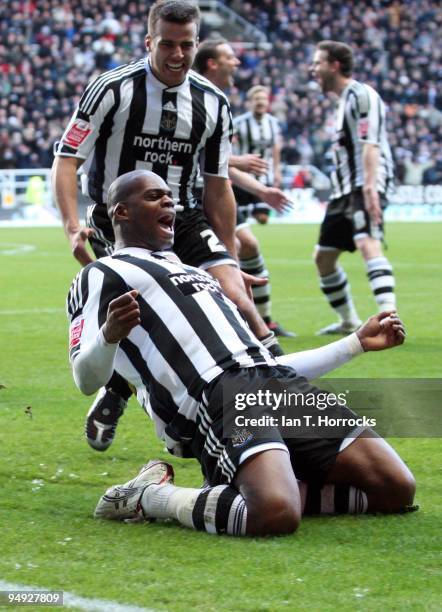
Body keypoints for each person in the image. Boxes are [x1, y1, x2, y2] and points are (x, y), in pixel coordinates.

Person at [68, 169, 416, 537]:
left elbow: (261, 366)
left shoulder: (195, 273)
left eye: (170, 195)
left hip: (274, 383)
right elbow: (85, 378)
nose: (169, 200)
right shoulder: (99, 275)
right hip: (220, 398)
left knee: (394, 488)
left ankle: (267, 486)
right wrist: (108, 335)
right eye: (154, 196)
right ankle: (152, 496)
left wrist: (354, 343)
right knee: (274, 515)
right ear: (121, 213)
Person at [53, 0, 282, 453]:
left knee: (237, 297)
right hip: (118, 221)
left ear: (198, 43)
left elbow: (218, 188)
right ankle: (118, 390)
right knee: (139, 317)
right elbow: (67, 158)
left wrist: (231, 259)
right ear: (149, 42)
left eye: (187, 45)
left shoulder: (213, 102)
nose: (177, 55)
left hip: (185, 214)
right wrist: (72, 223)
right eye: (167, 45)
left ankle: (286, 399)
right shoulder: (111, 89)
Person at [194, 39, 294, 337]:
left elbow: (220, 165)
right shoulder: (193, 97)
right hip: (190, 197)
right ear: (212, 63)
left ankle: (262, 319)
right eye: (230, 57)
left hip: (214, 190)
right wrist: (240, 161)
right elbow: (197, 154)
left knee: (248, 245)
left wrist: (263, 191)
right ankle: (233, 325)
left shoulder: (218, 101)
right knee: (230, 252)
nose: (237, 63)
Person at [310, 41, 397, 335]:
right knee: (323, 258)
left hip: (365, 183)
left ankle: (389, 320)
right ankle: (348, 320)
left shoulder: (362, 95)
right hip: (343, 190)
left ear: (334, 65)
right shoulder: (342, 101)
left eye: (317, 63)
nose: (313, 69)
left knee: (366, 241)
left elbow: (370, 144)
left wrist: (371, 189)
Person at [231, 85, 295, 336]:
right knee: (242, 246)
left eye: (263, 98)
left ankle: (262, 319)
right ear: (249, 102)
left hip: (258, 182)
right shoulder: (238, 123)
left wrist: (275, 174)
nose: (260, 102)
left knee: (253, 234)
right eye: (255, 97)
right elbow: (224, 153)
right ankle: (251, 319)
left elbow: (276, 149)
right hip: (235, 181)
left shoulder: (272, 123)